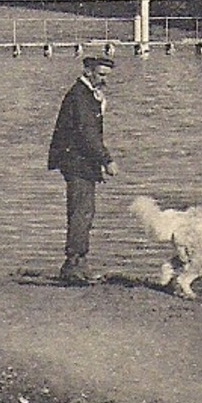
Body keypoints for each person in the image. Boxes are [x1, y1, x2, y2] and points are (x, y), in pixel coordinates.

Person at [46, 55, 117, 285]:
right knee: (81, 212)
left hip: (81, 161)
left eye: (107, 76)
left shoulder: (86, 95)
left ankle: (80, 263)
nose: (104, 81)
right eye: (101, 75)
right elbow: (87, 134)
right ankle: (73, 266)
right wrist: (106, 160)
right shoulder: (80, 97)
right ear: (88, 71)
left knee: (85, 212)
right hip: (76, 162)